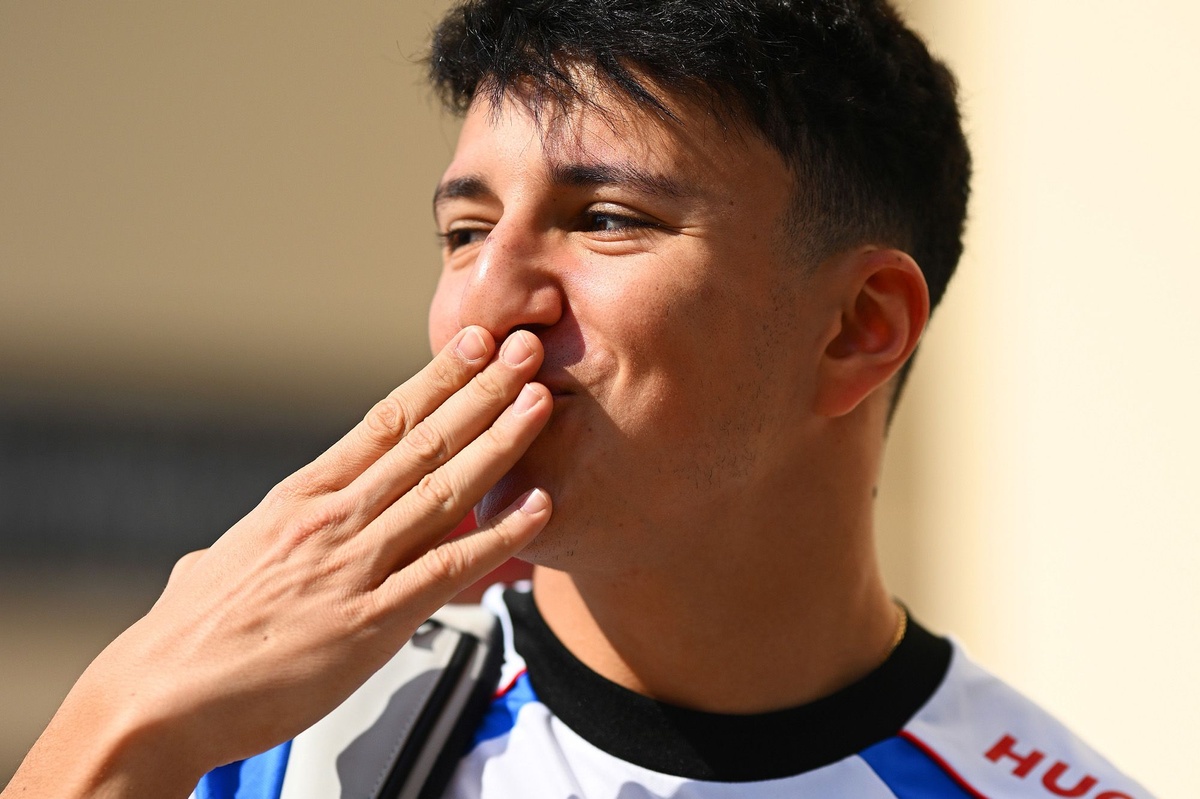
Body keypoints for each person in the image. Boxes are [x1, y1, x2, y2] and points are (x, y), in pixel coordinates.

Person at [4, 1, 1151, 797]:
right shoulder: (271, 737)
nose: (487, 302)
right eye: (464, 231)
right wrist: (123, 717)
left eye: (605, 218)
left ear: (859, 327)